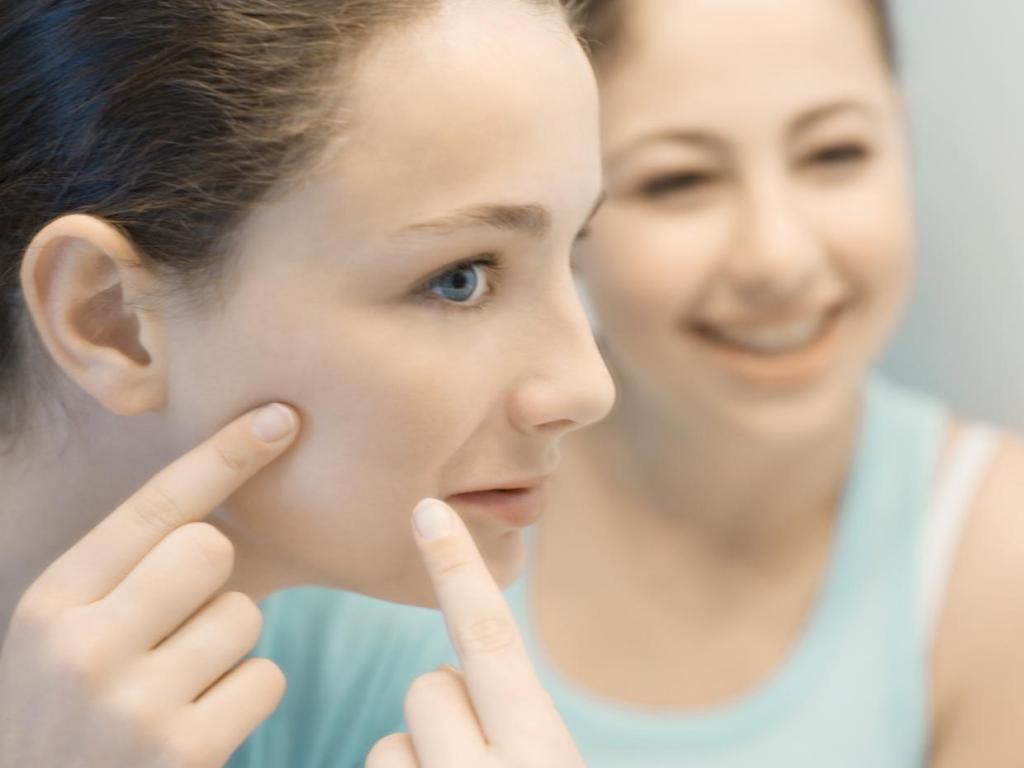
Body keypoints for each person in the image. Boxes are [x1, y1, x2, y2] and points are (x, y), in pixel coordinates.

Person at [236, 1, 1024, 766]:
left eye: (834, 154)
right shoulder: (366, 527)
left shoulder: (998, 556)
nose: (778, 257)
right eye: (678, 180)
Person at [0, 1, 615, 765]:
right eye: (461, 279)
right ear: (109, 320)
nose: (587, 388)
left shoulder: (401, 694)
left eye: (574, 253)